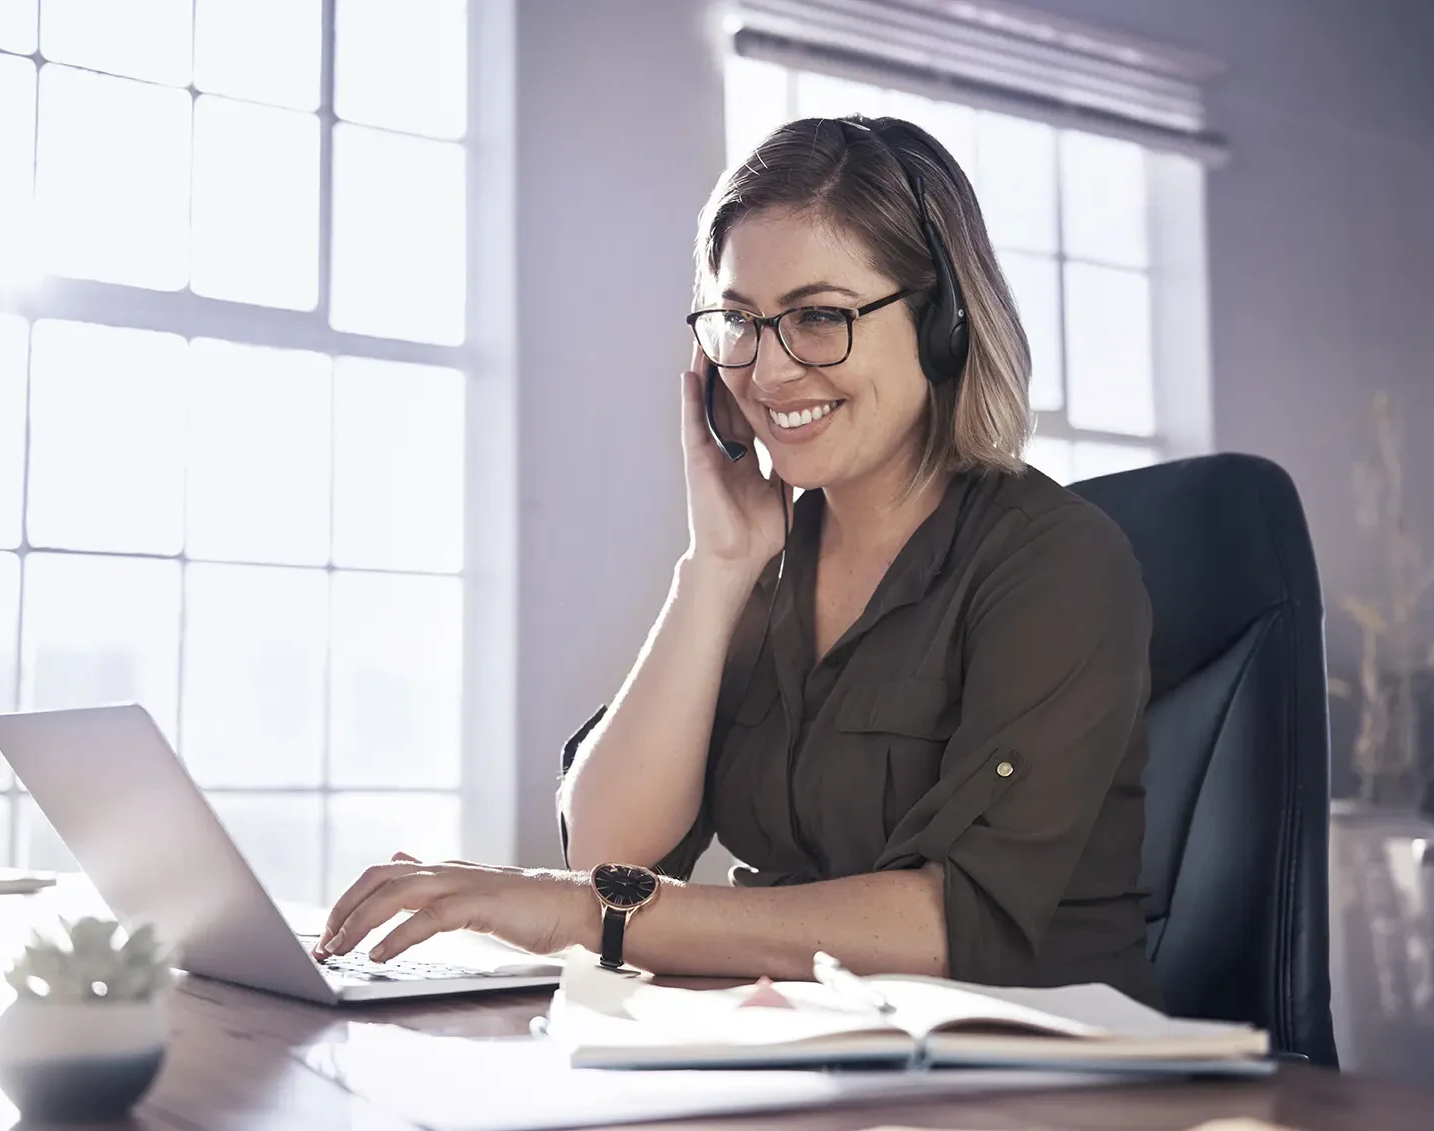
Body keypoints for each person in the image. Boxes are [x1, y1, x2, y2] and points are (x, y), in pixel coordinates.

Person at [314, 115, 1159, 1006]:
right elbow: (613, 855)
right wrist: (715, 567)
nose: (767, 370)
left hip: (1040, 1069)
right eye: (739, 322)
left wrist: (581, 913)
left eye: (819, 317)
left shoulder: (1055, 562)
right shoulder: (769, 569)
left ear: (943, 322)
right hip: (812, 1049)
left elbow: (951, 925)